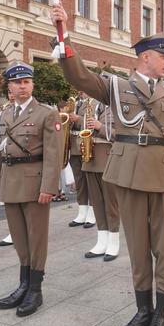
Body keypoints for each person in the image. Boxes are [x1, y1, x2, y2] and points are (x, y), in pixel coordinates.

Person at [53, 3, 164, 326]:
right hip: (129, 174)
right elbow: (79, 77)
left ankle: (162, 312)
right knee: (138, 245)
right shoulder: (117, 87)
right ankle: (142, 309)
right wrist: (63, 34)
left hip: (162, 177)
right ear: (146, 56)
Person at [0, 62, 64, 317]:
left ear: (32, 85)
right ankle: (24, 284)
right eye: (17, 82)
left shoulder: (46, 113)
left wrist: (49, 187)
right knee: (19, 238)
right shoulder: (5, 114)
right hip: (9, 182)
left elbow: (54, 154)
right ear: (9, 86)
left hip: (34, 182)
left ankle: (36, 290)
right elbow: (0, 153)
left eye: (26, 82)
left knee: (36, 238)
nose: (22, 86)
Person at [82, 97, 121, 261]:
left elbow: (120, 136)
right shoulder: (88, 106)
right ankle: (101, 240)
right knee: (97, 203)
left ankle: (114, 241)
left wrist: (100, 127)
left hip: (107, 159)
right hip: (90, 159)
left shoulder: (116, 108)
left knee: (111, 204)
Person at [67, 91, 96, 228]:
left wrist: (78, 119)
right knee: (79, 181)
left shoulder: (95, 103)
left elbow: (95, 122)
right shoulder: (75, 103)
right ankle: (82, 211)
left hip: (87, 144)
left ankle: (92, 212)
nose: (81, 91)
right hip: (74, 146)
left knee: (90, 181)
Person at [0, 91, 15, 247]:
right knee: (10, 201)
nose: (11, 95)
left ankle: (25, 232)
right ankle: (14, 232)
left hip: (25, 163)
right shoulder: (4, 112)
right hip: (6, 160)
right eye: (9, 92)